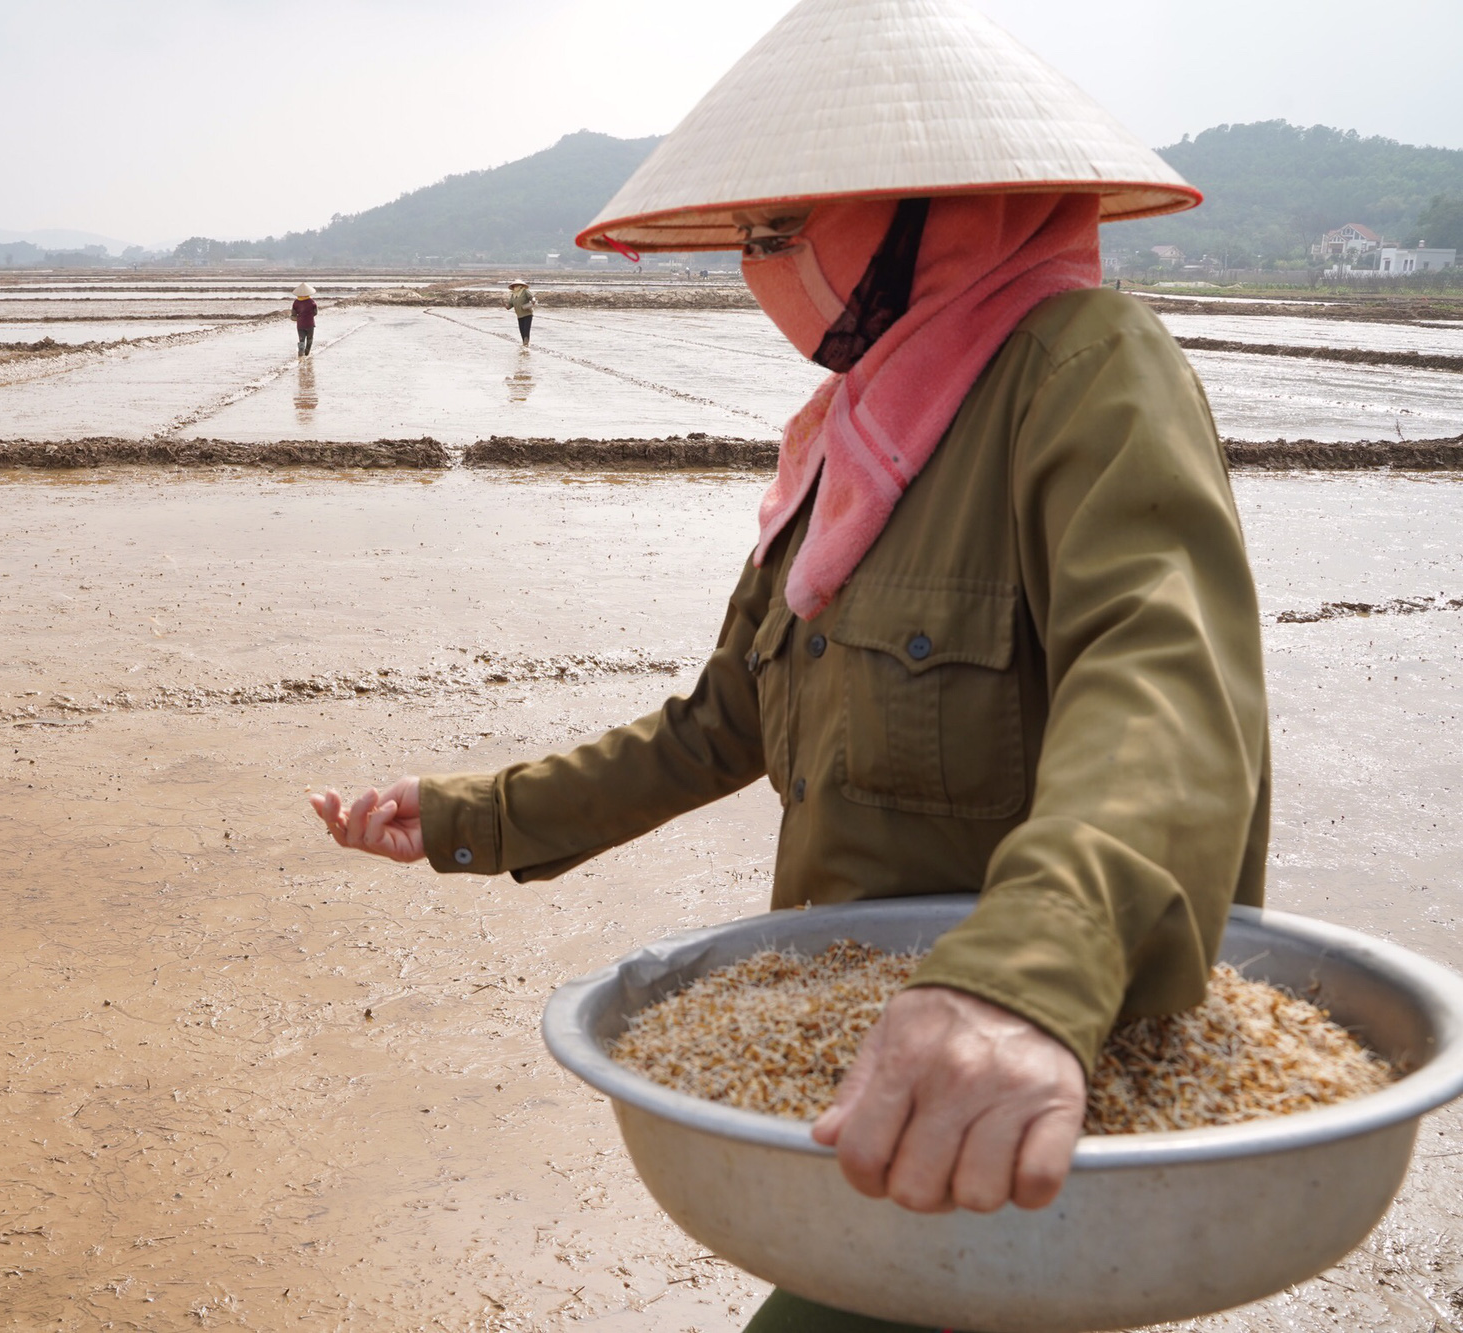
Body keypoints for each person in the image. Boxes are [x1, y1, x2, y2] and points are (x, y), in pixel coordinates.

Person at [310, 1, 1267, 1329]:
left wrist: (1022, 976)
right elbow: (721, 722)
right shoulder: (851, 449)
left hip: (1022, 1099)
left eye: (783, 231)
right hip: (870, 1092)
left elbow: (1160, 685)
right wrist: (468, 815)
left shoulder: (1088, 374)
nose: (760, 268)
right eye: (747, 239)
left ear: (929, 209)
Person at [503, 278, 535, 345]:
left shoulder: (525, 291)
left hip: (527, 314)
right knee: (522, 331)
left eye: (517, 285)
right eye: (514, 285)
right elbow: (509, 306)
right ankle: (525, 346)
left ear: (521, 285)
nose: (516, 287)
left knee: (526, 330)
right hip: (519, 315)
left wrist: (533, 301)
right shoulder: (513, 295)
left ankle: (526, 344)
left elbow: (532, 297)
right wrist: (504, 304)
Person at [291, 282, 317, 356]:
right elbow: (315, 312)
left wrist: (298, 317)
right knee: (309, 339)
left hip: (300, 324)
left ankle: (300, 354)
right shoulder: (312, 302)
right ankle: (307, 353)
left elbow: (293, 314)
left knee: (301, 340)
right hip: (310, 324)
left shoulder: (296, 302)